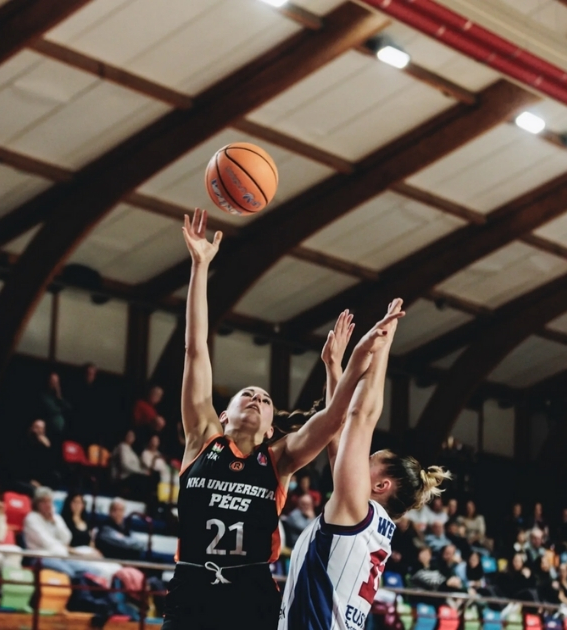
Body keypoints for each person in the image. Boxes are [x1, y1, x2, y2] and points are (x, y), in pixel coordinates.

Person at [163, 209, 403, 630]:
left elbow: (333, 420)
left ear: (272, 426)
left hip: (250, 591)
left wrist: (350, 366)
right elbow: (195, 348)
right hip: (192, 587)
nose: (256, 397)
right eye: (246, 395)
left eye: (265, 398)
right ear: (224, 414)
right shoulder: (202, 436)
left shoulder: (279, 458)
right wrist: (200, 266)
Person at [279, 300, 449, 630]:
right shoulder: (367, 525)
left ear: (381, 485)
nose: (358, 459)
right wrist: (333, 367)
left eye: (370, 460)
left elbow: (362, 416)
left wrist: (381, 346)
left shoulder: (356, 513)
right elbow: (337, 438)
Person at [109, 429, 157, 502]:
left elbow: (138, 466)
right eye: (129, 435)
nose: (131, 437)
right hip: (122, 477)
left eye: (132, 436)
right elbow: (125, 465)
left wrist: (144, 471)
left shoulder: (131, 450)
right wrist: (142, 472)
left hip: (131, 476)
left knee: (150, 478)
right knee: (142, 479)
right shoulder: (122, 447)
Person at [38, 372, 71, 440]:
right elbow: (52, 410)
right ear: (49, 381)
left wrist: (59, 397)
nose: (55, 384)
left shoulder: (58, 396)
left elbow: (68, 408)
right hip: (49, 429)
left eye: (57, 382)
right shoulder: (44, 395)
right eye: (53, 381)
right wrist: (62, 409)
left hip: (61, 432)